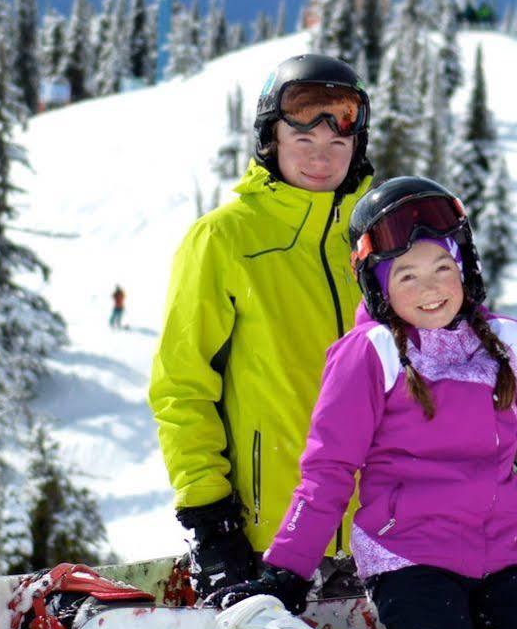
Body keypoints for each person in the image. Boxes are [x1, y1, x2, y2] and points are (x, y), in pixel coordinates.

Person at [196, 177, 517, 629]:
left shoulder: (511, 345)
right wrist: (287, 571)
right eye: (407, 275)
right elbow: (328, 472)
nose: (430, 289)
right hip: (410, 558)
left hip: (498, 558)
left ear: (464, 267)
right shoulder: (369, 355)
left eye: (442, 269)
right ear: (378, 286)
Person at [148, 55, 375, 598]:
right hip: (268, 536)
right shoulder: (224, 240)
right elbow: (182, 387)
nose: (321, 160)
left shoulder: (379, 243)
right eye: (304, 144)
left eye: (337, 145)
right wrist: (210, 519)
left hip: (382, 537)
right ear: (272, 139)